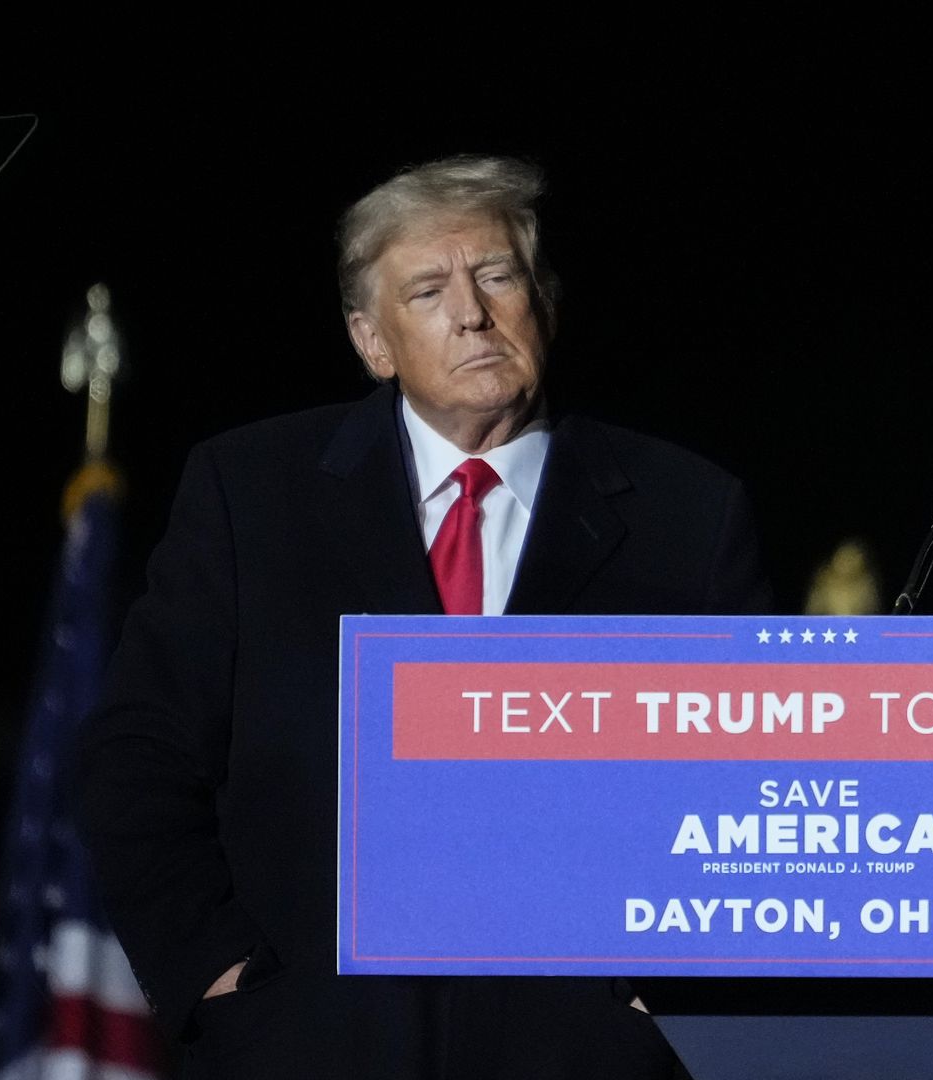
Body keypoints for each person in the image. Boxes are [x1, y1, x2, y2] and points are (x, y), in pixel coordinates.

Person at [78, 154, 771, 1078]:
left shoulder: (687, 516)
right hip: (309, 1047)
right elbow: (138, 759)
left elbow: (746, 785)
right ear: (372, 341)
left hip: (583, 1055)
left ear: (544, 302)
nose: (473, 313)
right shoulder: (252, 495)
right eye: (429, 289)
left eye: (496, 276)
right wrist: (220, 976)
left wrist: (660, 994)